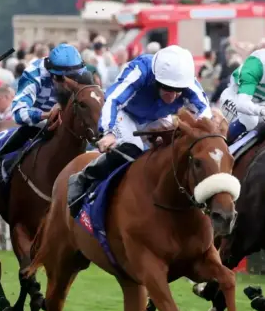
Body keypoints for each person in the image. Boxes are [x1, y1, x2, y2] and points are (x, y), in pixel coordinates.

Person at [67, 45, 211, 215]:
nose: (172, 96)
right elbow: (113, 100)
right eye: (167, 88)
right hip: (125, 114)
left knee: (175, 146)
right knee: (132, 148)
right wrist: (108, 132)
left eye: (178, 91)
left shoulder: (187, 82)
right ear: (157, 80)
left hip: (156, 118)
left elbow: (205, 115)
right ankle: (84, 177)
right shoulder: (140, 71)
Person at [0, 43, 85, 174]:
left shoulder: (80, 71)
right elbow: (19, 113)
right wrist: (45, 115)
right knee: (32, 128)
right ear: (53, 74)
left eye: (74, 77)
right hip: (39, 118)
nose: (70, 83)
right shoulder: (34, 73)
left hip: (68, 117)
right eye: (64, 79)